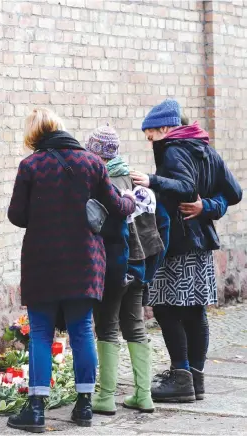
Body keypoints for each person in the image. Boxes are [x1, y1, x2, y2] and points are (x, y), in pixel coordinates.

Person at [7, 108, 136, 433]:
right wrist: (131, 199)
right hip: (85, 263)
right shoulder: (92, 163)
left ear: (35, 135)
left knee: (40, 334)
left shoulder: (30, 166)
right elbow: (118, 208)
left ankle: (36, 411)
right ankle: (85, 407)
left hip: (42, 264)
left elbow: (16, 216)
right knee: (81, 332)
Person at [131, 99, 242, 403]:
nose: (148, 137)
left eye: (151, 131)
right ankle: (195, 379)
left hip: (179, 243)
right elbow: (234, 193)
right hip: (201, 242)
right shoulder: (206, 150)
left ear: (167, 128)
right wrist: (209, 206)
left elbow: (183, 186)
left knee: (166, 309)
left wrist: (151, 180)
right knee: (194, 312)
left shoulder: (174, 149)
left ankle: (182, 378)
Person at [84, 125, 165, 416]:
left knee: (106, 326)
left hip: (113, 266)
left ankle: (105, 398)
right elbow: (156, 228)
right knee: (135, 324)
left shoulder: (98, 180)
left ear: (95, 153)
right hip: (139, 264)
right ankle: (143, 396)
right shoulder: (135, 178)